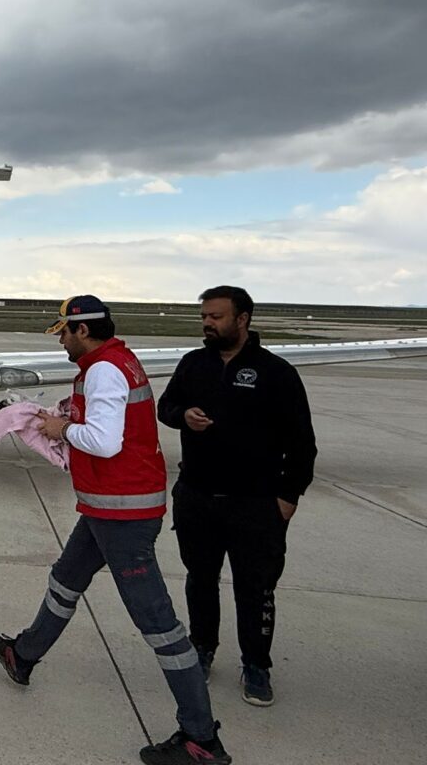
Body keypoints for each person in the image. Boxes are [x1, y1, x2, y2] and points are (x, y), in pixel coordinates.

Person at [0, 296, 232, 765]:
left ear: (82, 330)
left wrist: (60, 429)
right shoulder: (115, 361)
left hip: (123, 515)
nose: (60, 340)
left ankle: (201, 740)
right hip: (107, 507)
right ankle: (23, 655)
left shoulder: (103, 370)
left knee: (159, 626)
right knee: (65, 580)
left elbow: (104, 440)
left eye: (63, 332)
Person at [157, 285, 315, 708]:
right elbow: (165, 407)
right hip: (198, 496)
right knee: (200, 579)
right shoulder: (194, 364)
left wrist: (288, 497)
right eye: (204, 317)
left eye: (216, 316)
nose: (207, 323)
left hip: (255, 503)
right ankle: (202, 648)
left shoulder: (276, 372)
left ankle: (257, 665)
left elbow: (302, 443)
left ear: (242, 319)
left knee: (256, 588)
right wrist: (183, 416)